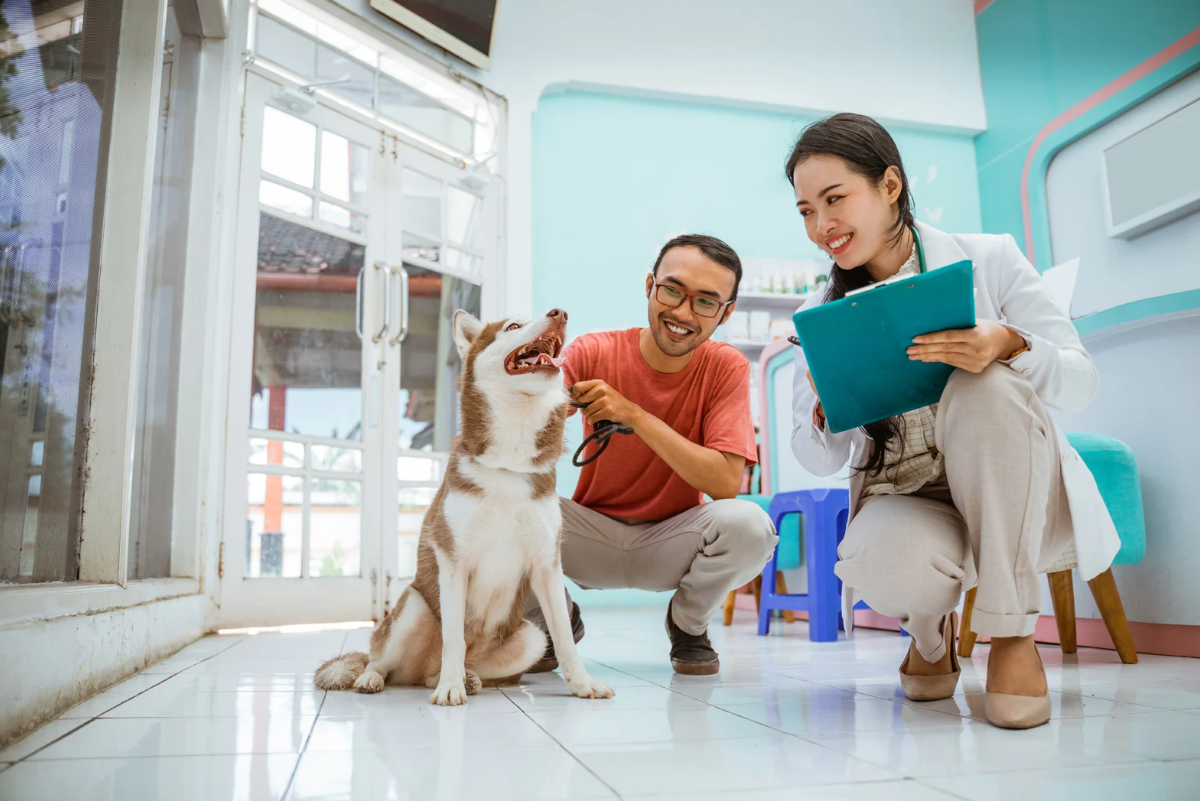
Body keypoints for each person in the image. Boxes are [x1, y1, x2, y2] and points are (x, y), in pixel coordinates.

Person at [785, 114, 1120, 729]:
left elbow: (1080, 379)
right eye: (806, 210)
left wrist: (1010, 342)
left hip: (1009, 484)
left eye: (835, 199)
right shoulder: (819, 313)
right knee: (878, 560)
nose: (821, 226)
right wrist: (825, 410)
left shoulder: (990, 257)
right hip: (907, 494)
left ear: (890, 186)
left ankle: (1012, 635)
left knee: (986, 384)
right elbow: (818, 458)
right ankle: (930, 637)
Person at [526, 234, 778, 675]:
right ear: (649, 285)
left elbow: (723, 485)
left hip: (673, 543)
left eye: (705, 302)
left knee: (751, 526)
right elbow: (524, 429)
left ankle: (687, 623)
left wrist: (635, 416)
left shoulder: (726, 366)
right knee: (506, 509)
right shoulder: (594, 351)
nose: (682, 313)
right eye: (672, 291)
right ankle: (555, 618)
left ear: (726, 313)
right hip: (589, 538)